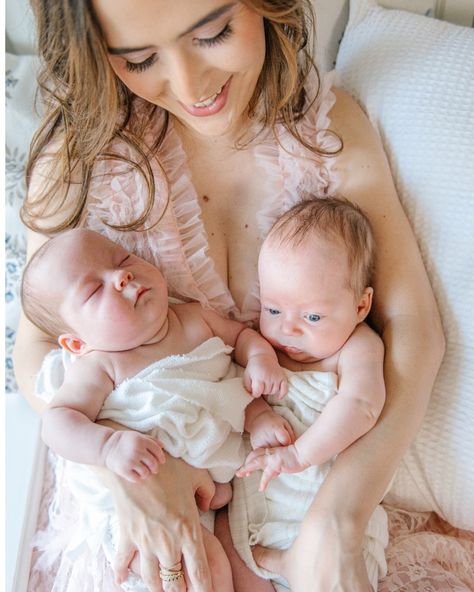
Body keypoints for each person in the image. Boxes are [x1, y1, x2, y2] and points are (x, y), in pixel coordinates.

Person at [13, 1, 445, 591]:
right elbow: (39, 349)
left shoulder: (326, 130)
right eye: (138, 58)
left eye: (214, 33)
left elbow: (412, 325)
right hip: (144, 493)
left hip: (296, 489)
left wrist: (339, 517)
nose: (190, 86)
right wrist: (126, 467)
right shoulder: (77, 162)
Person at [21, 227, 294, 591]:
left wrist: (260, 368)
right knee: (203, 569)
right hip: (144, 500)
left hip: (217, 487)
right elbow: (57, 422)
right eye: (93, 290)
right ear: (77, 342)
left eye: (123, 260)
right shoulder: (101, 366)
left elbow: (240, 344)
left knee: (252, 569)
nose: (121, 276)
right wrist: (108, 447)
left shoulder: (196, 318)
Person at [229, 197, 388, 591]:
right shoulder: (262, 350)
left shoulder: (355, 350)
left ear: (360, 305)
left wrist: (300, 454)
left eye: (312, 316)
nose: (288, 330)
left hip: (328, 525)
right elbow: (230, 392)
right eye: (273, 310)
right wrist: (256, 412)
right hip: (253, 526)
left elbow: (362, 406)